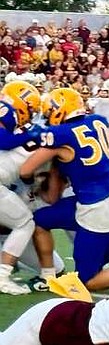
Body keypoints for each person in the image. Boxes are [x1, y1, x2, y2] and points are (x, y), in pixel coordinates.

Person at [20, 87, 109, 292]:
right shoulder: (96, 121)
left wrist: (35, 179)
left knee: (87, 281)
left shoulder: (60, 133)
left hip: (96, 210)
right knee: (41, 220)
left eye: (51, 112)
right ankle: (48, 277)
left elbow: (26, 170)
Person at [0, 81, 43, 294]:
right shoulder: (5, 109)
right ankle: (3, 276)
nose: (31, 113)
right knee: (24, 223)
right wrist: (30, 133)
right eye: (31, 108)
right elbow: (3, 140)